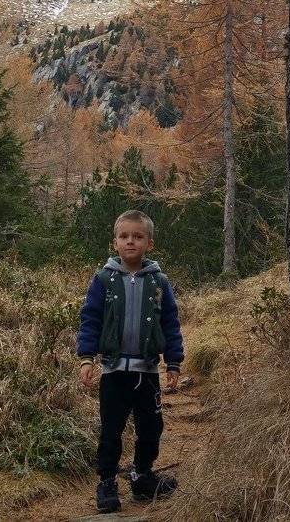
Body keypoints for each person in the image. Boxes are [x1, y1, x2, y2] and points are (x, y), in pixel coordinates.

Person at [76, 209, 185, 513]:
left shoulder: (159, 282)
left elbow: (170, 323)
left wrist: (173, 362)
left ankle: (142, 475)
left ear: (149, 243)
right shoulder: (103, 280)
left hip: (147, 372)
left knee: (151, 427)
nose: (130, 241)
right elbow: (90, 319)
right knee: (111, 430)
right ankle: (107, 482)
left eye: (138, 236)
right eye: (124, 236)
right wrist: (87, 358)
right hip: (114, 372)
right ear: (115, 243)